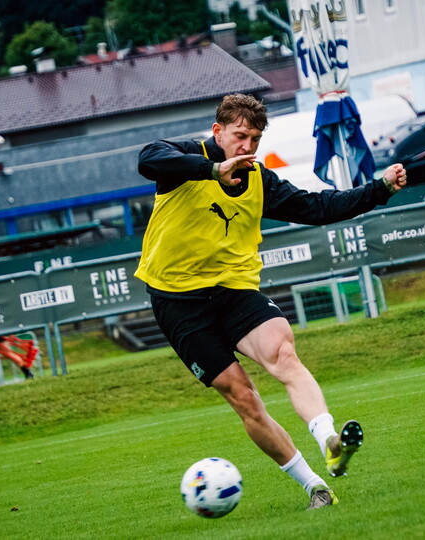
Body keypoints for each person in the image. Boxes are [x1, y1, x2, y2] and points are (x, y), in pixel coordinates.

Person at [134, 94, 407, 510]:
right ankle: (315, 486)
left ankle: (329, 441)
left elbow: (319, 207)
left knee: (284, 353)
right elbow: (148, 157)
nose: (246, 147)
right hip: (177, 301)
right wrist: (213, 170)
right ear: (218, 132)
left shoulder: (261, 180)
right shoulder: (188, 159)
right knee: (243, 396)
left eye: (254, 139)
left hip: (233, 291)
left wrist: (380, 188)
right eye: (239, 136)